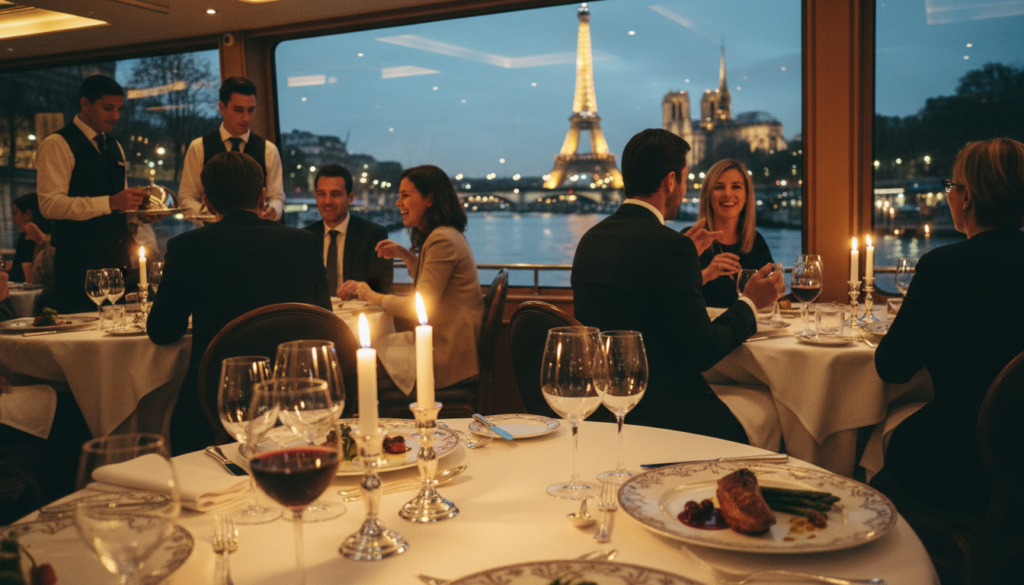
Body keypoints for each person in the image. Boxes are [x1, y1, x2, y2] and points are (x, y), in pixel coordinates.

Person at [571, 129, 781, 442]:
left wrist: (690, 270)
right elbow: (703, 351)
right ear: (671, 181)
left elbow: (640, 301)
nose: (683, 190)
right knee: (774, 407)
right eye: (684, 179)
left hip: (604, 408)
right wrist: (749, 303)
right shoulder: (671, 246)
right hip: (668, 414)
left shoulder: (590, 240)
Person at [873, 138, 1024, 510]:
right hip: (1016, 454)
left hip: (968, 458)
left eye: (951, 187)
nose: (949, 196)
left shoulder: (944, 267)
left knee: (880, 442)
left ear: (966, 196)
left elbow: (892, 367)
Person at [147, 151, 331, 455]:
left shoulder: (186, 248)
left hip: (215, 404)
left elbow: (162, 330)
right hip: (297, 400)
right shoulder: (303, 243)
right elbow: (323, 320)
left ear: (208, 202)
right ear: (261, 196)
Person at [354, 165, 483, 394]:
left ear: (429, 199)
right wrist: (406, 256)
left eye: (405, 195)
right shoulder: (446, 234)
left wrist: (372, 297)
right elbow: (436, 285)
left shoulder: (442, 240)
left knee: (358, 365)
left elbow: (420, 306)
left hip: (447, 355)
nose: (398, 203)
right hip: (452, 346)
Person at [35, 75, 148, 313]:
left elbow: (120, 205)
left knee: (117, 329)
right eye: (108, 108)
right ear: (85, 103)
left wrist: (143, 213)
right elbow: (50, 205)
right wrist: (109, 202)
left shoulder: (115, 146)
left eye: (119, 109)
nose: (115, 116)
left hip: (117, 260)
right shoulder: (57, 143)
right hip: (77, 264)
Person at [177, 77, 284, 223]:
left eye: (251, 110)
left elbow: (277, 197)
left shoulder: (268, 150)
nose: (246, 118)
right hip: (213, 233)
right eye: (238, 110)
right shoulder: (199, 147)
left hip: (256, 233)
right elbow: (187, 198)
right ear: (222, 108)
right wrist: (213, 217)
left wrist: (272, 211)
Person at [691, 159, 775, 307]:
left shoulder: (755, 241)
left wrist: (775, 285)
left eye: (736, 187)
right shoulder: (692, 240)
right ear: (708, 195)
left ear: (746, 196)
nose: (727, 194)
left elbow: (770, 297)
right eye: (719, 187)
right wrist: (707, 274)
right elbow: (672, 294)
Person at [303, 164, 393, 299]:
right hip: (317, 310)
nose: (327, 201)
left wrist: (360, 287)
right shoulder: (306, 238)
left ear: (350, 198)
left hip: (358, 309)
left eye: (335, 194)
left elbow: (383, 286)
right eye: (322, 194)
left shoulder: (373, 235)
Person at [9, 193, 55, 287]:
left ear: (28, 214)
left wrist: (43, 241)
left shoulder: (55, 241)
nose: (13, 220)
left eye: (15, 213)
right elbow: (16, 274)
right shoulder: (24, 240)